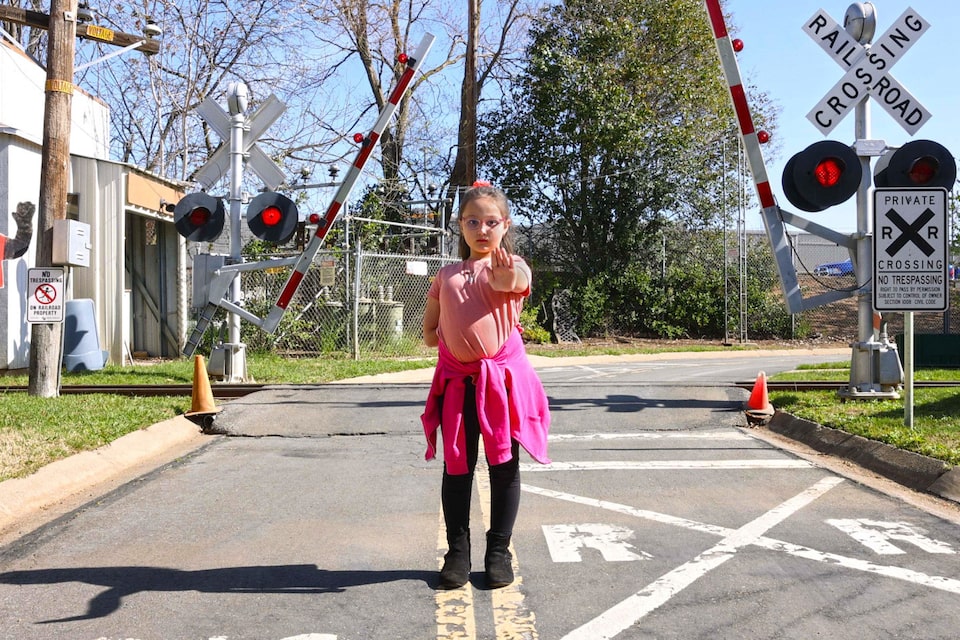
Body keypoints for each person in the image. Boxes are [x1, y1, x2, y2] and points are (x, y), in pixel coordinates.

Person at [421, 183, 551, 590]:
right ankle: (457, 554)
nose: (482, 229)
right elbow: (428, 333)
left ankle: (499, 553)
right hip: (459, 386)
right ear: (459, 226)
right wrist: (441, 332)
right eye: (472, 221)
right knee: (456, 468)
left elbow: (516, 281)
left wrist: (504, 274)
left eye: (491, 222)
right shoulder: (446, 276)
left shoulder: (514, 266)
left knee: (503, 466)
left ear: (505, 225)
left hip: (499, 389)